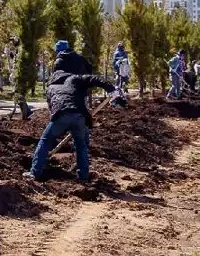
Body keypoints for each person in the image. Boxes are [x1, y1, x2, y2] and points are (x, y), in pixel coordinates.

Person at [24, 40, 125, 183]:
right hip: (79, 114)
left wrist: (60, 124)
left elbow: (51, 108)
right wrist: (112, 90)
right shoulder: (73, 78)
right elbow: (94, 78)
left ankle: (34, 173)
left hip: (61, 114)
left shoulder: (50, 88)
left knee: (45, 141)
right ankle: (83, 177)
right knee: (81, 145)